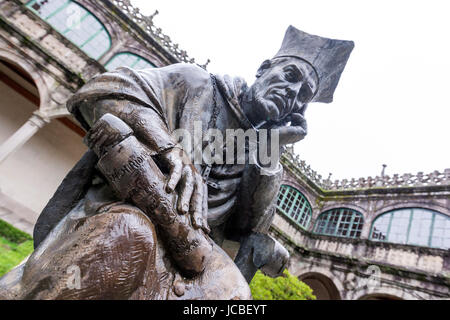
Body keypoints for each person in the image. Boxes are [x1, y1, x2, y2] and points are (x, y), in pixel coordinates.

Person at [0, 26, 354, 299]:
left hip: (193, 256)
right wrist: (169, 147)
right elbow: (103, 91)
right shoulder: (195, 82)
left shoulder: (261, 149)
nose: (292, 93)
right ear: (264, 69)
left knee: (233, 295)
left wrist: (272, 149)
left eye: (303, 95)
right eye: (290, 76)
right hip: (119, 216)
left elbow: (248, 229)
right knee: (129, 232)